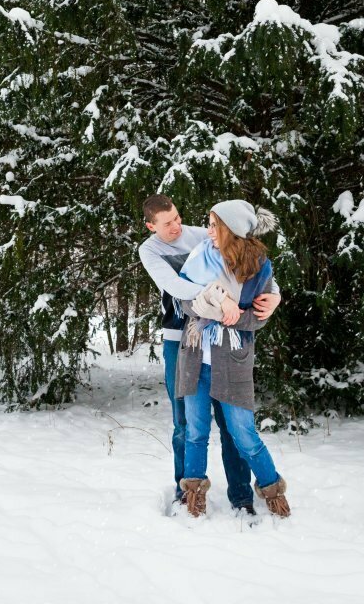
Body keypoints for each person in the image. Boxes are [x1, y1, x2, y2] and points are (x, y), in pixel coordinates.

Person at [138, 194, 281, 514]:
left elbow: (250, 260)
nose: (177, 226)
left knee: (234, 428)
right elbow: (179, 289)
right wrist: (221, 301)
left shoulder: (206, 234)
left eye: (177, 217)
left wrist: (275, 297)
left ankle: (242, 494)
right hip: (183, 339)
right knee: (186, 424)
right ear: (151, 226)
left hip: (228, 342)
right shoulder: (150, 250)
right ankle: (186, 490)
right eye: (167, 224)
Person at [176, 199, 290, 519]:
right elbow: (185, 304)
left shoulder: (259, 266)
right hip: (196, 355)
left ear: (230, 229)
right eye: (208, 223)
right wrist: (217, 304)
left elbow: (259, 317)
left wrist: (233, 315)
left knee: (243, 435)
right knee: (196, 432)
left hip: (233, 359)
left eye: (214, 225)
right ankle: (193, 496)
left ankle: (272, 493)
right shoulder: (200, 256)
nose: (208, 230)